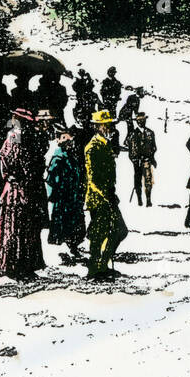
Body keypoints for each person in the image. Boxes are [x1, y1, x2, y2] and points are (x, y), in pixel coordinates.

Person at [0, 109, 46, 281]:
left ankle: (19, 265)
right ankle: (16, 267)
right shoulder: (15, 136)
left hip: (18, 186)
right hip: (18, 188)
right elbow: (16, 162)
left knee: (20, 226)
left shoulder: (19, 136)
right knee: (17, 226)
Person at [84, 110, 128, 281]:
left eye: (110, 124)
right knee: (99, 233)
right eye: (106, 124)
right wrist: (105, 196)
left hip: (108, 195)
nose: (110, 127)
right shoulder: (93, 146)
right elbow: (93, 178)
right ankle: (95, 269)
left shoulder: (105, 144)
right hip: (99, 197)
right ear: (97, 127)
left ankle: (101, 265)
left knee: (119, 230)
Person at [46, 127, 86, 256]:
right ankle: (68, 247)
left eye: (69, 140)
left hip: (73, 195)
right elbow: (51, 179)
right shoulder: (58, 157)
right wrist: (54, 193)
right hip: (63, 196)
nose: (68, 143)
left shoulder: (71, 156)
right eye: (64, 139)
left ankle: (73, 245)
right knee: (64, 222)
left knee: (75, 222)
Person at [127, 111, 157, 207]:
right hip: (137, 161)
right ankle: (139, 199)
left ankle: (148, 199)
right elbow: (131, 149)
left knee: (148, 180)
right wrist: (134, 159)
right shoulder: (132, 134)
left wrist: (152, 157)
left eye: (143, 120)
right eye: (139, 120)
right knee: (137, 181)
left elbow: (154, 147)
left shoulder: (150, 133)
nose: (141, 122)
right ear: (136, 121)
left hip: (147, 160)